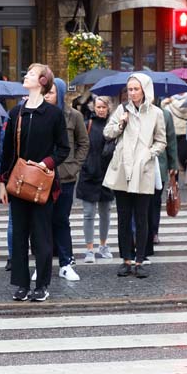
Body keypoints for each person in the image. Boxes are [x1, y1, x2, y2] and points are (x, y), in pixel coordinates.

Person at [0, 63, 69, 303]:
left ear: (42, 81)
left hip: (42, 183)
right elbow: (7, 151)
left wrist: (47, 163)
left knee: (41, 236)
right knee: (19, 235)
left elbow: (63, 148)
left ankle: (42, 285)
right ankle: (21, 284)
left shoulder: (54, 114)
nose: (25, 75)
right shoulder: (16, 112)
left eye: (30, 73)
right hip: (18, 182)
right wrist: (2, 182)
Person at [103, 73, 166, 279]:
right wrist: (121, 123)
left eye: (135, 89)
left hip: (143, 169)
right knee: (123, 217)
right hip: (123, 168)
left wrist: (149, 154)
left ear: (144, 90)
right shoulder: (122, 109)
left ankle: (140, 260)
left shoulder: (156, 113)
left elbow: (161, 141)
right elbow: (107, 133)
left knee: (142, 217)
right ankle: (126, 260)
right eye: (129, 89)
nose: (132, 93)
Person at [46, 78, 89, 280]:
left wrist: (74, 165)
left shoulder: (74, 116)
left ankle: (66, 262)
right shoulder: (39, 115)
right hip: (43, 176)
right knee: (42, 222)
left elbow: (83, 143)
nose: (47, 95)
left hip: (66, 177)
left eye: (52, 92)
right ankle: (42, 264)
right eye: (46, 91)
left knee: (61, 220)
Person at [76, 96, 115, 263]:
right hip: (89, 174)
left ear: (108, 108)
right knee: (88, 214)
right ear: (93, 107)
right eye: (98, 107)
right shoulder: (87, 125)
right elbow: (80, 146)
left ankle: (103, 245)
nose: (100, 110)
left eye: (103, 107)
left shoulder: (113, 126)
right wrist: (82, 165)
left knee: (105, 213)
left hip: (107, 175)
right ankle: (89, 249)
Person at [145, 102, 178, 257]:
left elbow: (171, 139)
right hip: (140, 164)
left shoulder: (164, 114)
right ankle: (142, 233)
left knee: (155, 200)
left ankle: (153, 231)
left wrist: (173, 164)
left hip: (160, 162)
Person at [162, 92, 187, 171]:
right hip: (174, 130)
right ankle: (175, 179)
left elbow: (182, 108)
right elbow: (163, 108)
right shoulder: (170, 99)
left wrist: (172, 101)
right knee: (174, 156)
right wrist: (165, 102)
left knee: (184, 154)